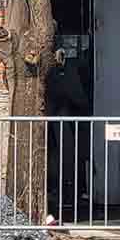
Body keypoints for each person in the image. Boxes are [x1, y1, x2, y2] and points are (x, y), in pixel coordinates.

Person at [46, 48, 91, 218]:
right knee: (66, 158)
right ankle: (67, 192)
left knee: (66, 158)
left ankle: (67, 192)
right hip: (64, 123)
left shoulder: (60, 74)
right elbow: (78, 96)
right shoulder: (65, 74)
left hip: (63, 123)